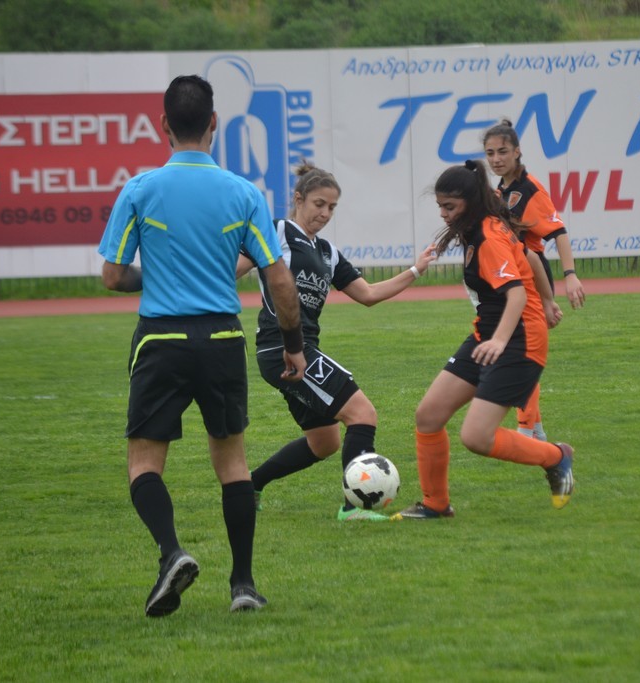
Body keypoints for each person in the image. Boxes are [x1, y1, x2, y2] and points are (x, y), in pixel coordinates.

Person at [98, 75, 307, 617]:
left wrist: (159, 274)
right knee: (232, 463)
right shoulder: (243, 193)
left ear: (162, 125)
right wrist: (293, 343)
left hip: (161, 339)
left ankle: (172, 552)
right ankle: (243, 585)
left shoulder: (139, 189)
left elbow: (113, 276)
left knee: (144, 463)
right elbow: (279, 279)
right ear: (215, 123)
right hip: (221, 339)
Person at [238, 162, 437, 521]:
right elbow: (229, 269)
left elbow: (368, 294)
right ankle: (353, 508)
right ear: (299, 199)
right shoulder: (277, 231)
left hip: (300, 351)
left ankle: (251, 484)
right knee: (363, 414)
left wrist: (416, 270)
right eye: (319, 204)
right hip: (282, 348)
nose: (325, 213)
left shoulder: (327, 252)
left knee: (324, 441)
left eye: (332, 207)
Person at [392, 160, 574, 520]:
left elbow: (516, 295)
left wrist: (504, 337)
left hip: (519, 340)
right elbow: (529, 255)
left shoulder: (488, 236)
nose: (443, 214)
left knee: (476, 437)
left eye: (449, 206)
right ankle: (435, 504)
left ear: (471, 201)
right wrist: (547, 300)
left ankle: (556, 456)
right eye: (440, 206)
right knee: (428, 415)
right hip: (487, 335)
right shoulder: (481, 225)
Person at [483, 118, 585, 441]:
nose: (496, 159)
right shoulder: (502, 189)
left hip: (530, 275)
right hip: (514, 273)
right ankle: (535, 428)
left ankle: (526, 429)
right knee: (517, 349)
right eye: (490, 153)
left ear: (517, 152)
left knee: (522, 352)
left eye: (502, 152)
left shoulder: (530, 189)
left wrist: (569, 277)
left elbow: (559, 232)